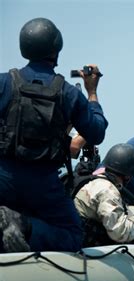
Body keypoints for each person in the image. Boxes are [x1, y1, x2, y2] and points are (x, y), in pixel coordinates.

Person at [0, 18, 108, 252]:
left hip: (3, 178)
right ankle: (23, 225)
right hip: (43, 184)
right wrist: (92, 92)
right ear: (56, 49)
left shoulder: (4, 83)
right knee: (72, 235)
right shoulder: (69, 94)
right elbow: (97, 133)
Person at [74, 144, 134, 247]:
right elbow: (120, 233)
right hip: (81, 246)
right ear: (128, 176)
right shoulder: (108, 190)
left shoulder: (95, 179)